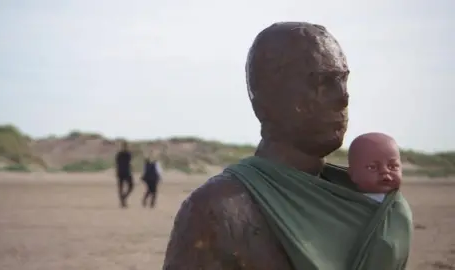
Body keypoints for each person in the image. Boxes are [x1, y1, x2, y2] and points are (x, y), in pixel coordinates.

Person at [163, 22, 412, 270]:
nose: (343, 97)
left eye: (343, 80)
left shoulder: (371, 202)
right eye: (322, 82)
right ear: (270, 96)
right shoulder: (217, 210)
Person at [348, 132, 403, 203]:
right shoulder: (348, 203)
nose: (385, 171)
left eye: (392, 167)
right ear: (352, 174)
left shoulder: (396, 202)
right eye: (372, 167)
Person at [115, 141, 133, 208]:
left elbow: (117, 163)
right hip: (126, 172)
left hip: (122, 172)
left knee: (122, 187)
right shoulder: (127, 154)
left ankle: (123, 199)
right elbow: (129, 162)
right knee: (128, 187)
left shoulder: (119, 154)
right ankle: (123, 200)